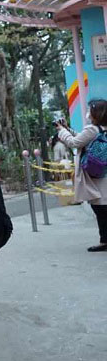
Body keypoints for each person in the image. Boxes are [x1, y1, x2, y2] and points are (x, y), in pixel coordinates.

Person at [56, 100, 107, 252]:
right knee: (102, 207)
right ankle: (104, 239)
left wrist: (62, 131)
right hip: (103, 171)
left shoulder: (92, 129)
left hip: (95, 174)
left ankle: (105, 240)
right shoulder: (100, 129)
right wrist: (68, 129)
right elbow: (82, 139)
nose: (88, 113)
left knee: (100, 208)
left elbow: (74, 143)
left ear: (96, 113)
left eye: (90, 110)